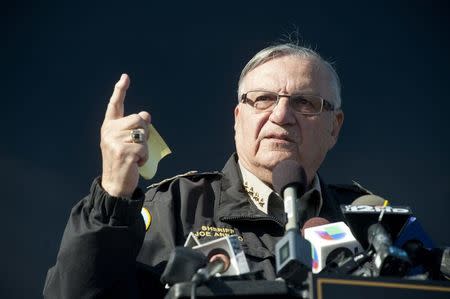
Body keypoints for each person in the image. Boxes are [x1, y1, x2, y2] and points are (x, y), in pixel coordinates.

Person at [43, 43, 370, 298]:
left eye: (305, 103)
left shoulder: (370, 223)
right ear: (238, 118)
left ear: (334, 127)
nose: (281, 115)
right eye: (263, 99)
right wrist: (112, 197)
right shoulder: (175, 208)